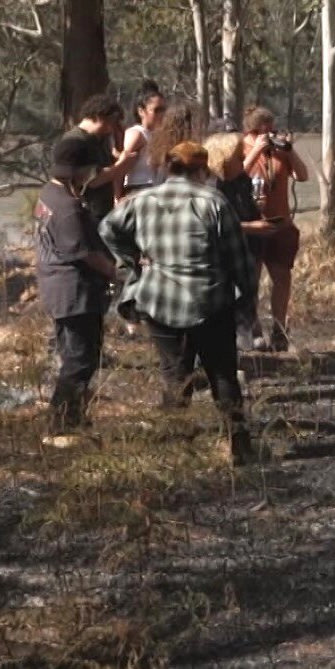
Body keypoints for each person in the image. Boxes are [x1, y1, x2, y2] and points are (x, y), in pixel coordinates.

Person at [100, 142, 260, 465]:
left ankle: (175, 452)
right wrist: (247, 300)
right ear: (201, 170)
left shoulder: (141, 200)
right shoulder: (213, 202)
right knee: (223, 378)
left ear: (169, 168)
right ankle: (240, 449)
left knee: (174, 378)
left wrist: (132, 263)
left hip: (158, 303)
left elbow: (107, 228)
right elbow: (239, 260)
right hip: (210, 302)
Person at [35, 135, 119, 440]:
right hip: (75, 291)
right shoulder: (68, 206)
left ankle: (73, 416)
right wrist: (114, 271)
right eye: (90, 169)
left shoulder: (49, 194)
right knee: (80, 359)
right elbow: (82, 252)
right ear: (79, 170)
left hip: (59, 289)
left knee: (76, 354)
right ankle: (60, 422)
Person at [242, 106, 309, 352]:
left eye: (271, 131)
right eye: (263, 132)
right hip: (254, 224)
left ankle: (279, 329)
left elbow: (302, 176)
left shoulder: (279, 152)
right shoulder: (241, 148)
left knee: (282, 277)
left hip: (281, 224)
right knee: (252, 280)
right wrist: (256, 150)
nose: (268, 136)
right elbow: (236, 175)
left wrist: (289, 150)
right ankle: (254, 328)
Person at [204, 127, 279, 351]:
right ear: (223, 159)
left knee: (247, 298)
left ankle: (244, 346)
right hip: (222, 258)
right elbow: (211, 226)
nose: (244, 159)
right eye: (239, 156)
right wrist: (251, 228)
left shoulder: (241, 179)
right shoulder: (211, 186)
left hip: (247, 251)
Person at [58, 94, 127, 222]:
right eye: (112, 122)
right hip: (86, 214)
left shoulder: (99, 139)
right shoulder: (73, 142)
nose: (112, 128)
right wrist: (122, 165)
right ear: (99, 117)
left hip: (102, 211)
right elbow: (92, 180)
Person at [119, 82, 165, 198]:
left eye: (163, 109)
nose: (161, 114)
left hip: (155, 188)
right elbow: (120, 168)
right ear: (141, 111)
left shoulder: (157, 135)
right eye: (156, 110)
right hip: (138, 189)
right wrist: (117, 197)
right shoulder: (137, 134)